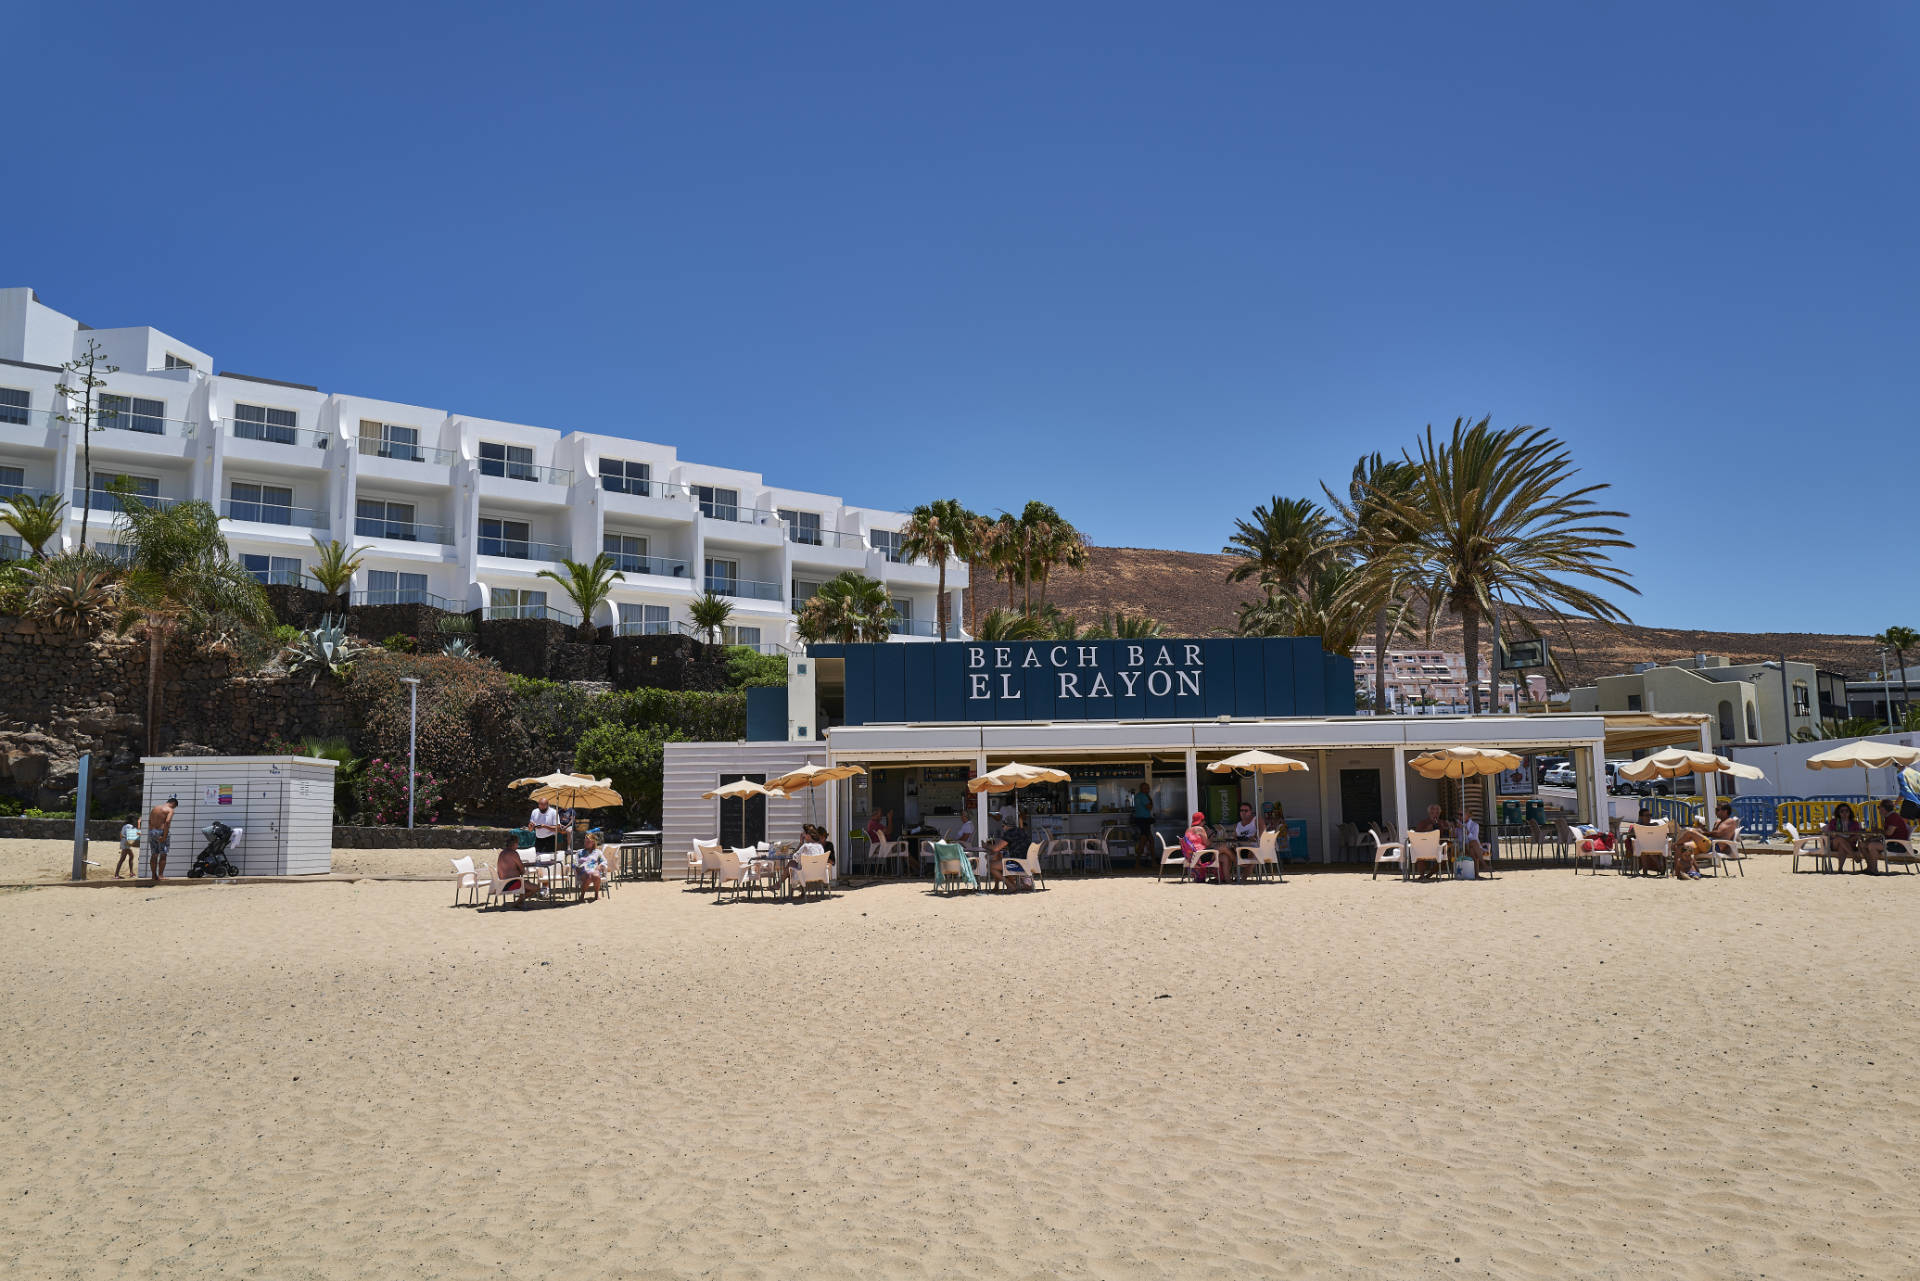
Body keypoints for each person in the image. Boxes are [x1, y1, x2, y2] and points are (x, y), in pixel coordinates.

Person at [1861, 800, 1910, 875]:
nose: (1879, 810)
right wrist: (1878, 832)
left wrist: (1879, 831)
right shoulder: (1889, 817)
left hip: (1898, 845)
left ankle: (1874, 869)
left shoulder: (1894, 817)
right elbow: (1887, 833)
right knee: (1863, 845)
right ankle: (1870, 867)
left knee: (1872, 845)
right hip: (1891, 842)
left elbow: (1889, 832)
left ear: (1884, 809)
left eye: (1879, 808)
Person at [987, 811, 1033, 890]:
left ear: (1006, 826)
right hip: (1027, 863)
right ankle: (1006, 885)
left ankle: (1010, 886)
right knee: (1000, 860)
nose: (1003, 828)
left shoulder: (1009, 834)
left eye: (1003, 826)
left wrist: (986, 846)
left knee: (991, 865)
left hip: (1018, 864)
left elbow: (996, 848)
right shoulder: (1022, 831)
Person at [1181, 811, 1219, 883]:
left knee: (1221, 852)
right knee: (1220, 850)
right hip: (1201, 856)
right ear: (1201, 821)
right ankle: (1221, 877)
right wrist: (1211, 837)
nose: (1204, 822)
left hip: (1192, 857)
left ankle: (1220, 877)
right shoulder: (1200, 829)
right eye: (1203, 820)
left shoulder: (1188, 830)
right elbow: (1207, 843)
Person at [145, 796, 177, 880]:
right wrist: (164, 836)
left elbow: (149, 821)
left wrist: (152, 831)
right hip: (162, 832)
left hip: (152, 831)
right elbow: (167, 822)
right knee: (163, 854)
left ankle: (153, 875)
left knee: (154, 854)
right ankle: (160, 875)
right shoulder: (170, 810)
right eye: (174, 806)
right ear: (173, 804)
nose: (174, 808)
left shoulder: (155, 808)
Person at [1826, 802, 1864, 872]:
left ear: (1849, 812)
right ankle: (1854, 856)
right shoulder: (1834, 822)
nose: (1844, 813)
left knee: (1842, 846)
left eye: (1846, 811)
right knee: (1840, 840)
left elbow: (1858, 834)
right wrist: (1834, 834)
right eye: (1842, 811)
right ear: (1838, 813)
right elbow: (1830, 833)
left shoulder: (1854, 823)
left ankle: (1840, 868)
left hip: (1849, 842)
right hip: (1835, 843)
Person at [575, 832, 609, 901]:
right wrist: (578, 867)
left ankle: (596, 895)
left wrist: (600, 866)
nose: (586, 843)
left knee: (595, 875)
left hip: (594, 871)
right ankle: (582, 896)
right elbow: (574, 863)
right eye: (585, 841)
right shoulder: (579, 852)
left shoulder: (597, 852)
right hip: (583, 872)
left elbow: (604, 861)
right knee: (588, 875)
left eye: (588, 842)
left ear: (593, 842)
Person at [1131, 784, 1155, 859]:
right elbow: (1149, 807)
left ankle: (1140, 862)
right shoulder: (1144, 796)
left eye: (1148, 788)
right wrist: (1150, 799)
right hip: (1144, 821)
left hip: (1139, 820)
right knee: (1147, 841)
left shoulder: (1137, 796)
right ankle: (1139, 863)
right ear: (1141, 789)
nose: (1147, 790)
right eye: (1146, 788)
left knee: (1146, 841)